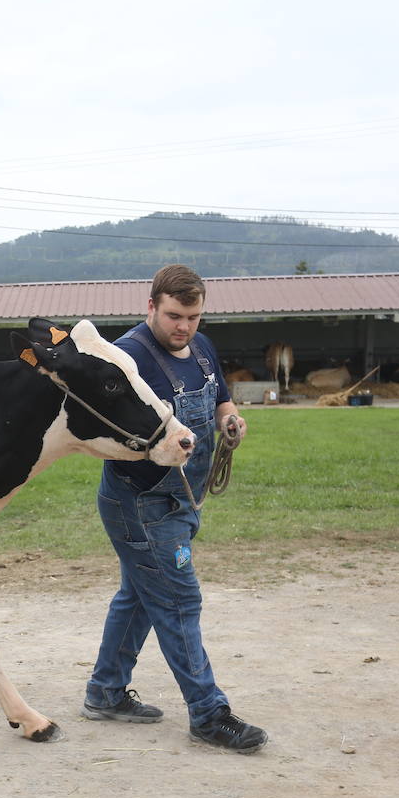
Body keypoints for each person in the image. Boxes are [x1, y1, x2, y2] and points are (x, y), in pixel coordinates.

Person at [81, 264, 268, 753]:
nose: (183, 327)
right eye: (173, 316)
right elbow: (97, 439)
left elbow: (223, 402)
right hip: (140, 502)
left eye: (193, 316)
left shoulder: (203, 350)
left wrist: (232, 421)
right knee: (179, 601)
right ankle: (209, 713)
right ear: (150, 307)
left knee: (142, 595)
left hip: (183, 498)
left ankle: (105, 691)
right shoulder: (124, 359)